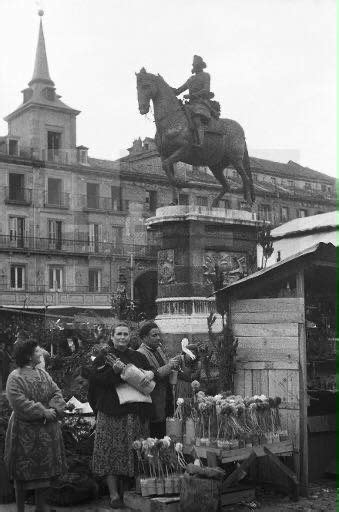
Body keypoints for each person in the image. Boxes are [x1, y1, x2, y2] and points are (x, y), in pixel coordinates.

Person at [88, 322, 153, 509]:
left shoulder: (137, 356)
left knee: (132, 452)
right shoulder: (103, 357)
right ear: (112, 336)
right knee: (111, 453)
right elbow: (96, 381)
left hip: (134, 413)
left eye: (126, 334)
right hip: (111, 414)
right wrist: (114, 372)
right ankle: (114, 494)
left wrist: (149, 373)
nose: (123, 337)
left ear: (130, 336)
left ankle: (128, 491)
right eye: (119, 334)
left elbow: (150, 373)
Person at [4, 339, 67, 512]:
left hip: (47, 431)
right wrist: (42, 411)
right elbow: (18, 402)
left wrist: (54, 408)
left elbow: (57, 392)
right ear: (28, 356)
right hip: (24, 432)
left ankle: (41, 508)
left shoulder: (43, 374)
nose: (41, 353)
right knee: (21, 474)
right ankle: (20, 509)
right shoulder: (15, 377)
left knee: (44, 475)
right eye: (38, 351)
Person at [137, 321, 181, 438]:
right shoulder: (140, 354)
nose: (158, 338)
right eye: (154, 335)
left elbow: (163, 368)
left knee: (167, 434)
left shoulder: (158, 349)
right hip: (154, 401)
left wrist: (173, 365)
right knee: (156, 435)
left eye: (158, 334)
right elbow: (152, 376)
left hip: (166, 398)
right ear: (144, 338)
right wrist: (169, 366)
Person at [173, 55, 215, 147]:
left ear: (200, 66)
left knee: (196, 119)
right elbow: (178, 91)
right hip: (190, 104)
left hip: (201, 103)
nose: (195, 67)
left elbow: (206, 90)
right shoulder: (191, 79)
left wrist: (191, 95)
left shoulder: (205, 76)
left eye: (197, 65)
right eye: (194, 66)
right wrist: (166, 87)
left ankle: (201, 142)